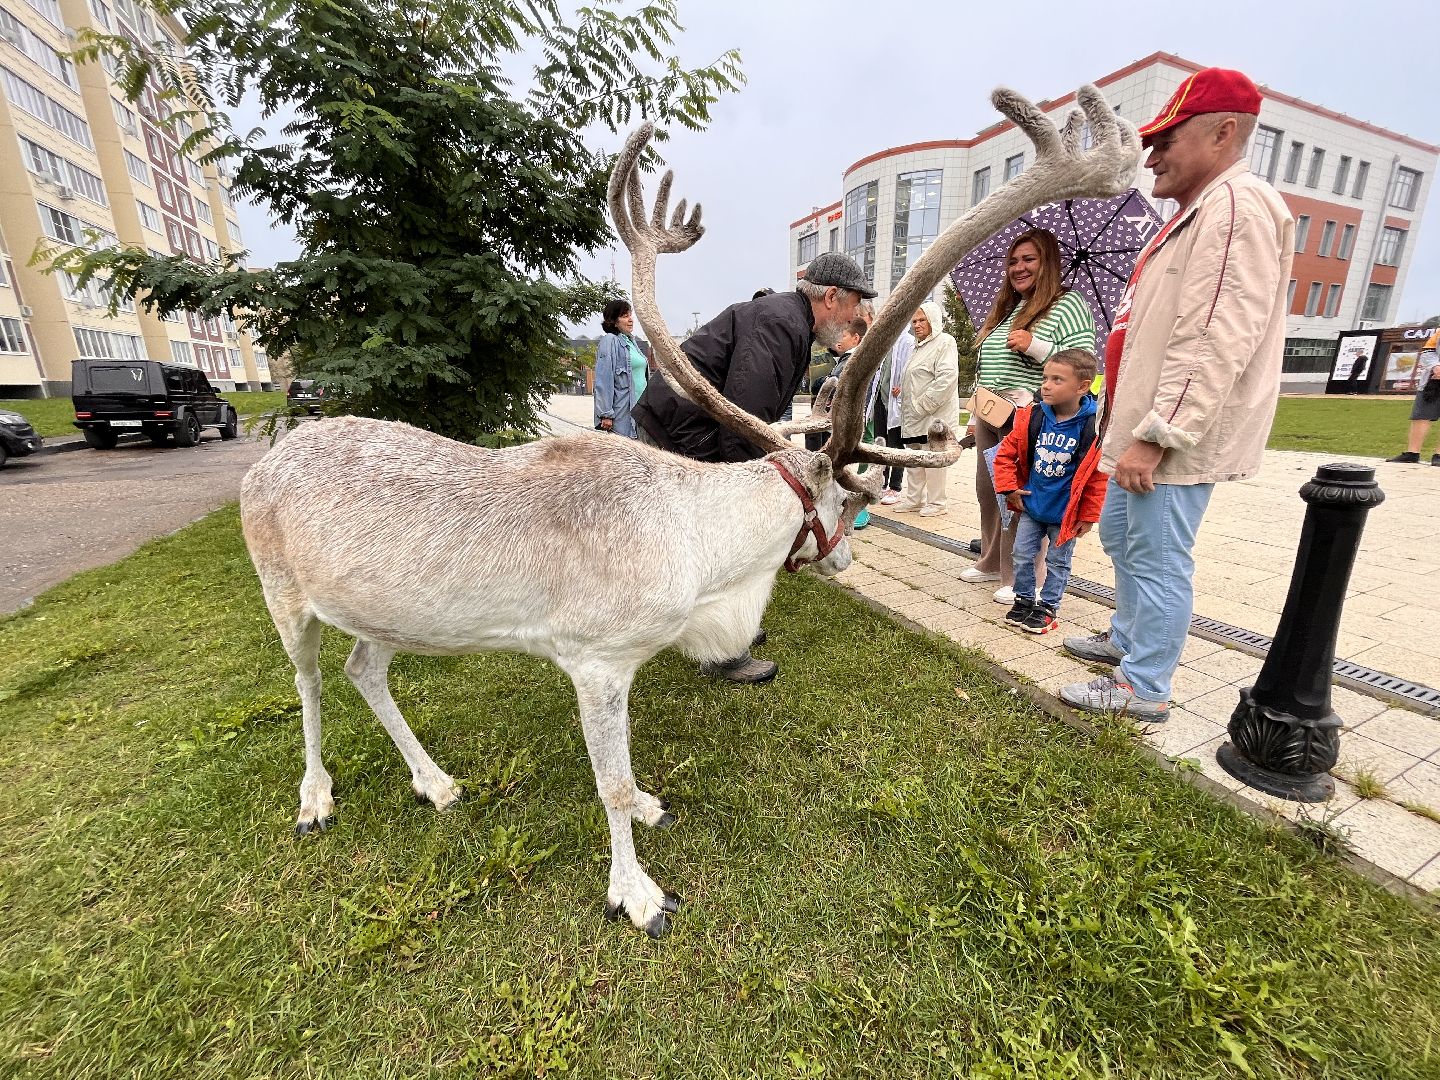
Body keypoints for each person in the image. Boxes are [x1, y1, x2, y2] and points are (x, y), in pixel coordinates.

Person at [1060, 67, 1295, 720]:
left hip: (1169, 436)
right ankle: (1130, 640)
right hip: (1144, 426)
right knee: (1122, 535)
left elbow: (1212, 335)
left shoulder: (1235, 209)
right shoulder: (1199, 214)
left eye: (1166, 141)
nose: (1151, 157)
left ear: (1223, 133)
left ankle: (1143, 686)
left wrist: (1159, 434)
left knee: (1158, 553)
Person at [630, 251, 877, 683]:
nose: (857, 314)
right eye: (856, 302)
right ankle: (724, 648)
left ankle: (720, 631)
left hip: (681, 429)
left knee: (706, 540)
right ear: (833, 297)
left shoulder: (790, 321)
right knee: (722, 543)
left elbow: (748, 417)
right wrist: (749, 500)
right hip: (684, 436)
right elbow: (744, 420)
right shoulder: (782, 324)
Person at [962, 229, 1096, 604]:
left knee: (1016, 495)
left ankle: (1024, 575)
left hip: (1028, 414)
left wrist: (1034, 345)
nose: (1018, 268)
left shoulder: (1068, 304)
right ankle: (991, 560)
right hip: (991, 410)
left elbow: (1084, 361)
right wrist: (976, 412)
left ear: (1047, 263)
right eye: (1013, 261)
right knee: (987, 492)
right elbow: (989, 364)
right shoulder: (1008, 311)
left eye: (1028, 259)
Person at [991, 349, 1107, 634]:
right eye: (1045, 378)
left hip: (1065, 513)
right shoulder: (1033, 417)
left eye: (1057, 379)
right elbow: (1004, 455)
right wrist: (1009, 488)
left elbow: (1098, 477)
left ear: (1082, 386)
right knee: (1021, 553)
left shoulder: (1093, 426)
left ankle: (1048, 606)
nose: (1046, 385)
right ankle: (1024, 599)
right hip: (1033, 505)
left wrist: (1089, 516)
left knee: (1058, 561)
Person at [891, 301, 960, 517]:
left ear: (933, 320)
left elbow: (947, 378)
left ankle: (937, 503)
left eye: (922, 320)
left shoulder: (944, 342)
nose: (917, 325)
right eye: (914, 321)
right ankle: (913, 499)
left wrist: (923, 404)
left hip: (934, 416)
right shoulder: (916, 346)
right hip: (914, 417)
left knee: (933, 460)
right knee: (915, 460)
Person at [806, 318, 866, 452]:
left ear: (855, 338)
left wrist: (824, 381)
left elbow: (833, 385)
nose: (839, 339)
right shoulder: (845, 358)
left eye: (843, 335)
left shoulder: (852, 361)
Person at [593, 299, 646, 437]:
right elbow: (603, 380)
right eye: (624, 316)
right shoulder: (610, 341)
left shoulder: (631, 341)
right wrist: (605, 414)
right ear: (614, 321)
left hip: (642, 411)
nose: (631, 320)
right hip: (623, 414)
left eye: (630, 315)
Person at [1386, 329, 1440, 464]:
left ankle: (1439, 456)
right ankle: (1412, 453)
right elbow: (1428, 351)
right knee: (1421, 416)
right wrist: (1436, 366)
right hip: (1433, 381)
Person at [876, 331, 914, 502]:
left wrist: (903, 386)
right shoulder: (885, 340)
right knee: (881, 444)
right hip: (881, 398)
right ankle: (881, 483)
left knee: (896, 444)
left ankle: (895, 486)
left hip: (895, 400)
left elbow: (909, 369)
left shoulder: (907, 341)